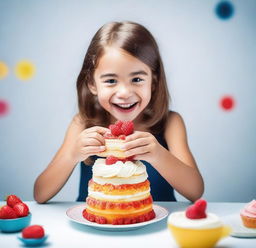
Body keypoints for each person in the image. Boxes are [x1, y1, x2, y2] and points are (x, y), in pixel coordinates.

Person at [34, 21, 204, 204]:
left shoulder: (170, 122)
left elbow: (195, 191)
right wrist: (72, 155)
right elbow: (40, 194)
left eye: (137, 79)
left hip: (158, 230)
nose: (124, 93)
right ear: (92, 84)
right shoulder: (82, 123)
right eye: (111, 81)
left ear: (153, 83)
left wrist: (159, 155)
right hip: (94, 227)